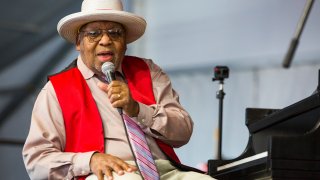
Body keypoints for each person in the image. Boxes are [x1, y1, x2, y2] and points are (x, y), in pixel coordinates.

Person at [22, 0, 216, 179]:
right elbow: (36, 161)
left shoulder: (148, 71)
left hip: (165, 171)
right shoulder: (57, 89)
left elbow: (183, 133)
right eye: (94, 33)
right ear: (79, 43)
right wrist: (90, 160)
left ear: (125, 43)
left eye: (115, 33)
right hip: (108, 173)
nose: (105, 40)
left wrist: (138, 110)